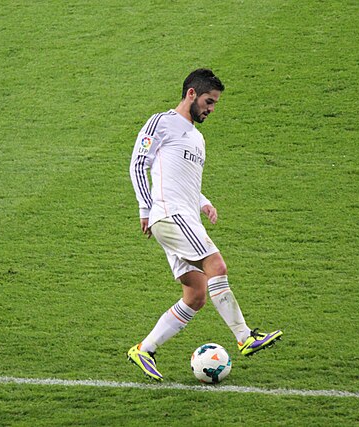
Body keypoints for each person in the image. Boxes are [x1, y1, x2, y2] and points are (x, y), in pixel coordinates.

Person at [127, 68, 282, 382]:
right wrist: (146, 207)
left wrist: (203, 201)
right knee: (217, 266)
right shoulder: (162, 122)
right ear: (191, 94)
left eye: (215, 104)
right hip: (170, 216)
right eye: (209, 102)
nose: (211, 109)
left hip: (185, 215)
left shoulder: (198, 138)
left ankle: (145, 349)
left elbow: (181, 181)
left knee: (196, 294)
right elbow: (138, 163)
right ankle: (244, 337)